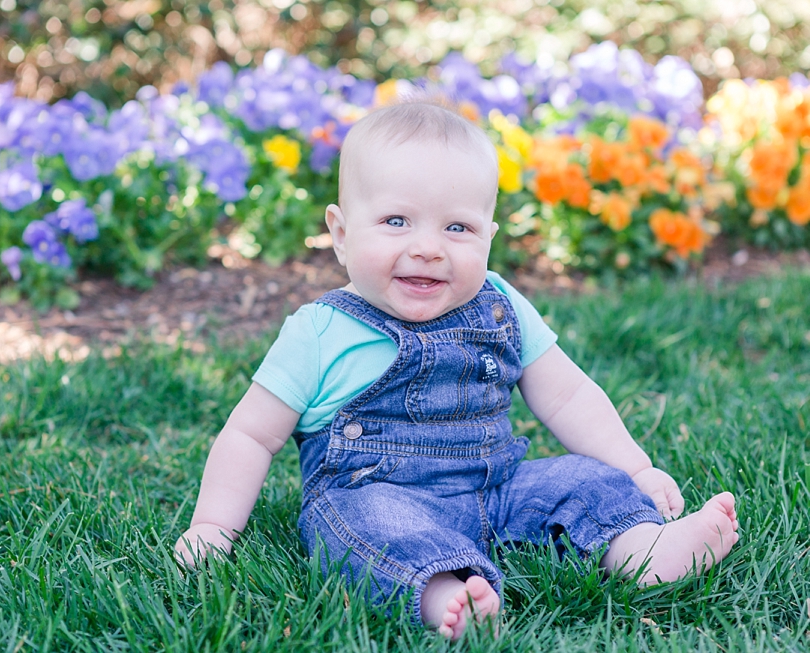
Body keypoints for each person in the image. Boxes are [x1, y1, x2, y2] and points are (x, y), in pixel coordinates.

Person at [175, 100, 739, 640]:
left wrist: (635, 468)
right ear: (341, 234)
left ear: (490, 238)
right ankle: (444, 595)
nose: (428, 248)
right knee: (363, 528)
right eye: (396, 221)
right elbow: (250, 434)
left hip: (496, 488)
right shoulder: (319, 332)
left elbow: (567, 397)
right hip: (377, 494)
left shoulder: (501, 306)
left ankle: (646, 549)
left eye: (457, 229)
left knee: (579, 481)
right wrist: (213, 528)